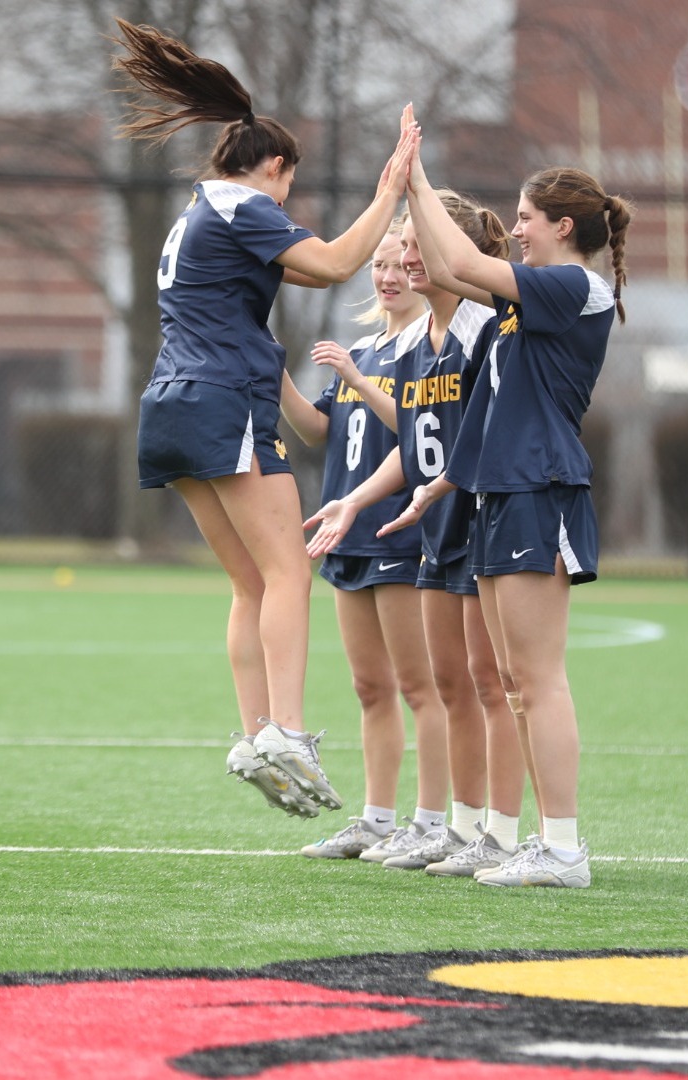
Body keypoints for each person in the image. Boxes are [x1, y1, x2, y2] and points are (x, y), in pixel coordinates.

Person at [110, 20, 417, 816]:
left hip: (171, 405)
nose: (287, 203)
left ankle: (255, 737)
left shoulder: (192, 217)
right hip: (219, 402)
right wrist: (392, 190)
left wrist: (307, 395)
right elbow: (336, 265)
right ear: (274, 168)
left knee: (249, 583)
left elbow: (238, 329)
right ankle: (285, 728)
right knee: (288, 574)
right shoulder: (244, 207)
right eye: (290, 184)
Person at [382, 115, 632, 888]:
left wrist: (415, 176)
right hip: (502, 492)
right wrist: (412, 190)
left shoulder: (574, 286)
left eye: (525, 218)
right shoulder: (538, 295)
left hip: (539, 490)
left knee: (537, 678)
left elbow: (458, 258)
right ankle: (538, 841)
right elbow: (452, 271)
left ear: (563, 225)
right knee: (515, 684)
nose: (516, 230)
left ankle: (563, 849)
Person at [304, 190, 525, 875]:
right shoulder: (420, 344)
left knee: (494, 686)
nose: (403, 264)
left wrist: (414, 179)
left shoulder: (480, 327)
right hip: (432, 526)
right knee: (457, 687)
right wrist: (353, 501)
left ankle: (505, 832)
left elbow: (466, 436)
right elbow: (421, 442)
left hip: (479, 521)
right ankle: (455, 829)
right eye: (397, 255)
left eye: (415, 250)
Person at [278, 227, 447, 858]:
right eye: (377, 265)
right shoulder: (367, 344)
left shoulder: (426, 346)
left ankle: (431, 824)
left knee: (420, 686)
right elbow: (321, 431)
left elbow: (413, 425)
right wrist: (273, 380)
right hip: (346, 537)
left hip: (397, 531)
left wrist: (353, 372)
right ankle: (377, 821)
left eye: (401, 263)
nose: (388, 275)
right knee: (369, 687)